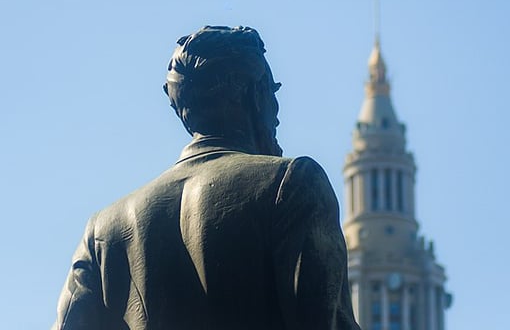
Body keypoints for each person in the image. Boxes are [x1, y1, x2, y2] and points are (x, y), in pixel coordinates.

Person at [53, 26, 360, 330]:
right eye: (272, 92)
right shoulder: (293, 184)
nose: (277, 112)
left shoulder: (103, 230)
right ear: (256, 95)